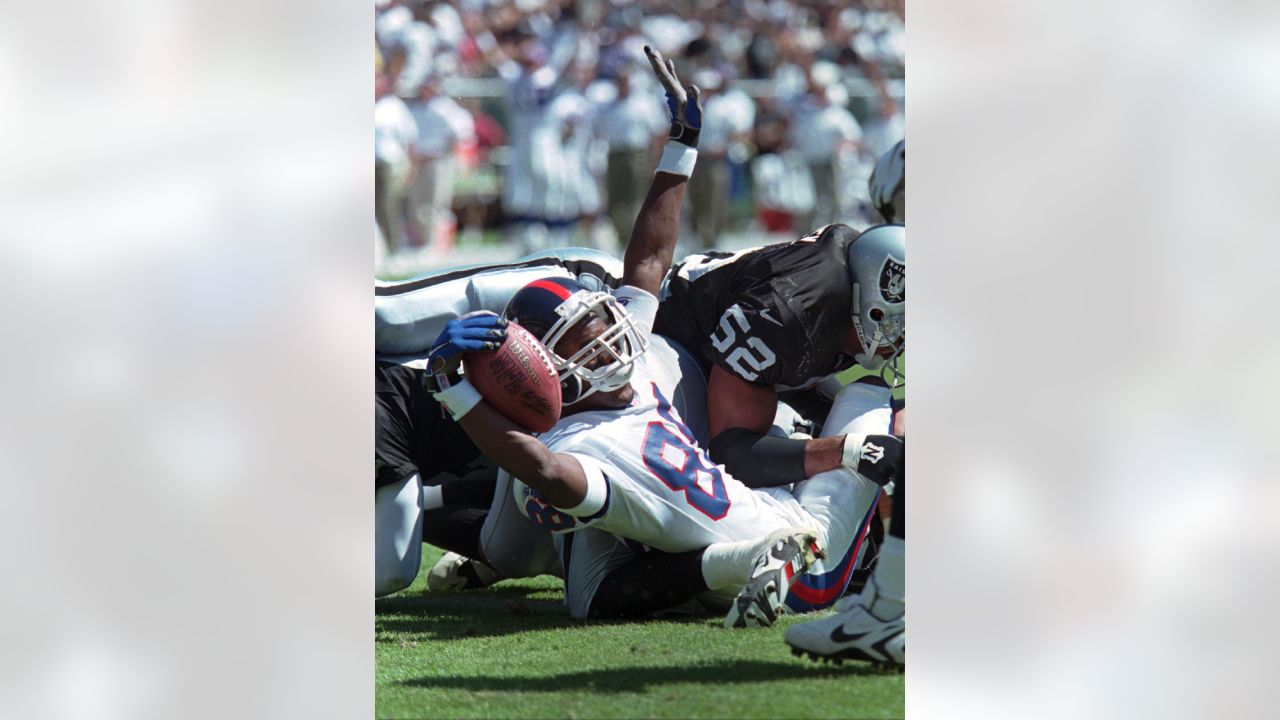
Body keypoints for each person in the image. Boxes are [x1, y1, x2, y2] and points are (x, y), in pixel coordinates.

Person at [425, 47, 899, 627]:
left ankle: (736, 560)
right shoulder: (608, 413)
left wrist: (681, 144)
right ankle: (755, 562)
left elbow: (648, 260)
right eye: (585, 340)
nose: (611, 339)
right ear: (543, 369)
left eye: (601, 323)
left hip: (745, 499)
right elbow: (546, 470)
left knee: (573, 578)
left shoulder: (627, 371)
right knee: (549, 562)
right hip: (800, 547)